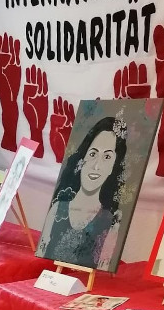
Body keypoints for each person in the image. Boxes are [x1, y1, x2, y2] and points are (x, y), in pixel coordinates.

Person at [38, 115, 127, 270]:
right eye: (93, 154)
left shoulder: (110, 222)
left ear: (113, 167)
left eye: (107, 157)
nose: (96, 166)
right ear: (82, 158)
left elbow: (104, 266)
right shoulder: (57, 210)